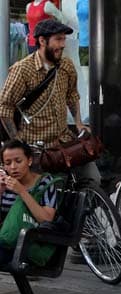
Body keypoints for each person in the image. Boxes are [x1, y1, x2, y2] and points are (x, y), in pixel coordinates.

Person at [0, 19, 99, 188]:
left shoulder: (66, 66)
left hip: (64, 141)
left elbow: (72, 95)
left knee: (93, 180)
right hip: (37, 150)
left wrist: (78, 123)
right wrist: (17, 141)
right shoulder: (22, 69)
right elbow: (5, 107)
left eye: (64, 39)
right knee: (47, 194)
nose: (62, 44)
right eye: (58, 39)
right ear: (42, 41)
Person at [0, 140, 57, 265]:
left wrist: (21, 191)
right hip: (4, 240)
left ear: (29, 161)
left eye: (18, 161)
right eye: (8, 163)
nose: (13, 167)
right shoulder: (5, 182)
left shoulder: (44, 181)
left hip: (28, 245)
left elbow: (46, 218)